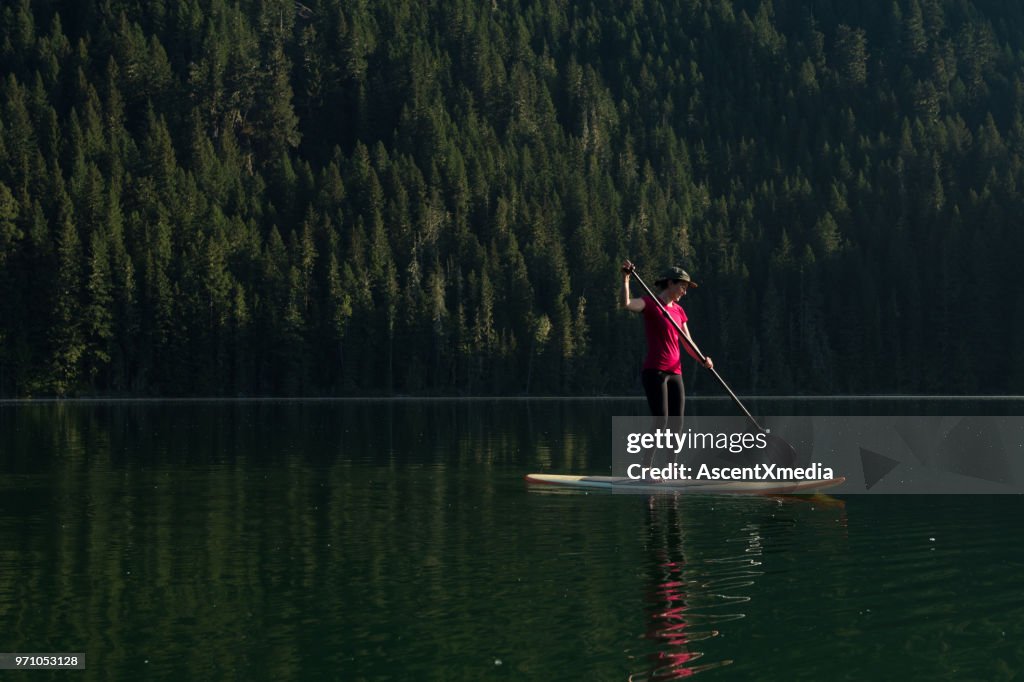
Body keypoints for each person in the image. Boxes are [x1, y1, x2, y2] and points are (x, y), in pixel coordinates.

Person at [621, 260, 713, 417]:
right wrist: (626, 279)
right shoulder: (650, 303)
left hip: (675, 372)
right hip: (655, 372)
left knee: (677, 425)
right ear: (670, 283)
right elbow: (627, 304)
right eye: (682, 287)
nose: (685, 292)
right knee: (661, 423)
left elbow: (688, 342)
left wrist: (703, 359)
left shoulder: (679, 310)